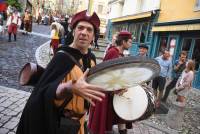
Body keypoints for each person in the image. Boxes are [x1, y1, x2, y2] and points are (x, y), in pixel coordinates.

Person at [16, 10, 106, 134]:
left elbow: (96, 88)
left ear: (94, 36)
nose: (84, 33)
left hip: (80, 124)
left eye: (89, 30)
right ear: (74, 31)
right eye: (80, 28)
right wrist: (68, 87)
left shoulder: (92, 60)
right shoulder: (61, 57)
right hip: (59, 124)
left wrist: (115, 89)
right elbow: (45, 92)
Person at [88, 31, 133, 134]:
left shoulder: (119, 54)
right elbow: (108, 74)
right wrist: (117, 88)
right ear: (123, 42)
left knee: (120, 115)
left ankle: (122, 131)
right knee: (104, 119)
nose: (131, 44)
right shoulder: (113, 52)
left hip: (113, 90)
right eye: (129, 42)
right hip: (106, 90)